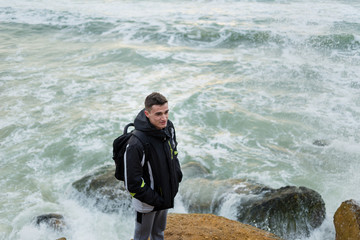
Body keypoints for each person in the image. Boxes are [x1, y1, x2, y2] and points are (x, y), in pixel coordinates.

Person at [124, 92, 183, 240]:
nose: (164, 118)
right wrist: (155, 199)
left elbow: (173, 154)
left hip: (165, 193)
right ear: (147, 113)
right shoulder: (135, 143)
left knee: (158, 233)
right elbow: (132, 183)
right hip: (146, 203)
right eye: (158, 114)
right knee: (141, 237)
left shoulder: (168, 128)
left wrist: (176, 177)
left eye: (166, 112)